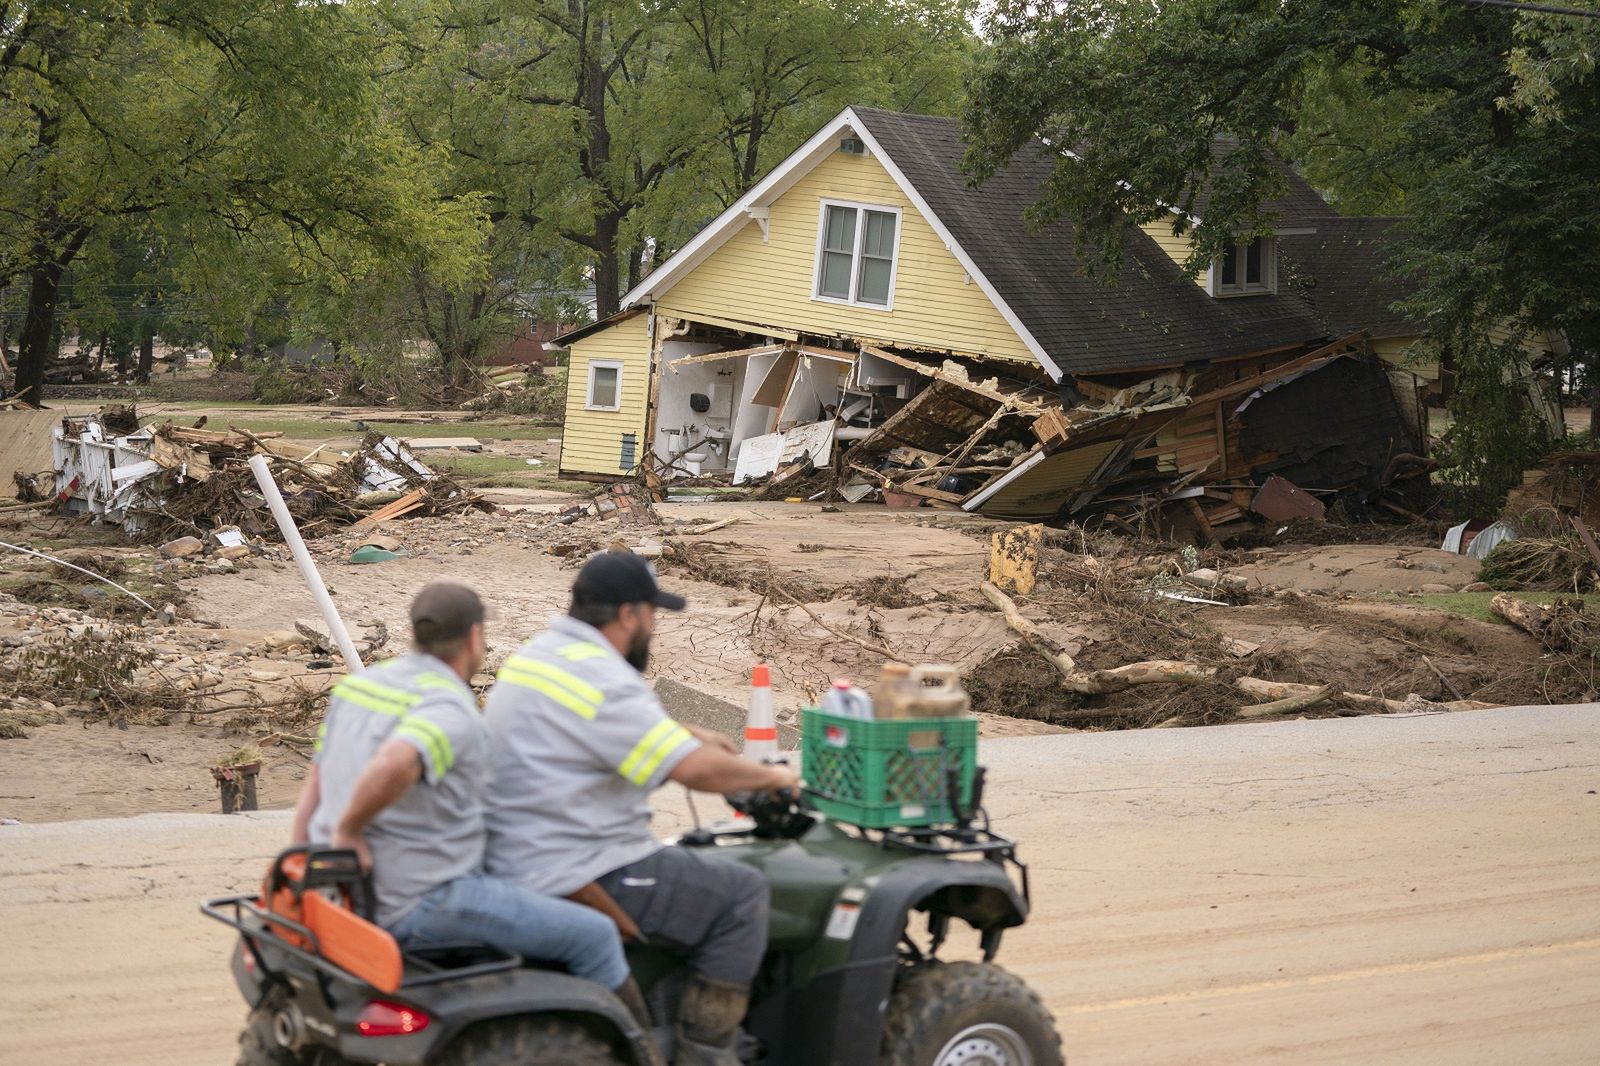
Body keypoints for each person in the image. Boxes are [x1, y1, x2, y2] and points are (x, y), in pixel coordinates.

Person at [483, 552, 800, 1066]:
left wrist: (687, 733)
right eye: (653, 616)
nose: (653, 628)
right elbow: (695, 772)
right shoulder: (605, 678)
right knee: (741, 894)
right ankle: (707, 1053)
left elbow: (596, 726)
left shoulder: (542, 654)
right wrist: (777, 776)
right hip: (577, 863)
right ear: (630, 614)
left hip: (514, 851)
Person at [289, 582, 644, 1019]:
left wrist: (303, 858)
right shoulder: (450, 710)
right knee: (596, 936)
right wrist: (350, 830)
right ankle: (643, 1047)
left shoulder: (360, 688)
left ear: (416, 632)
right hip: (423, 900)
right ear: (476, 636)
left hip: (346, 897)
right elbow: (395, 762)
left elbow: (315, 785)